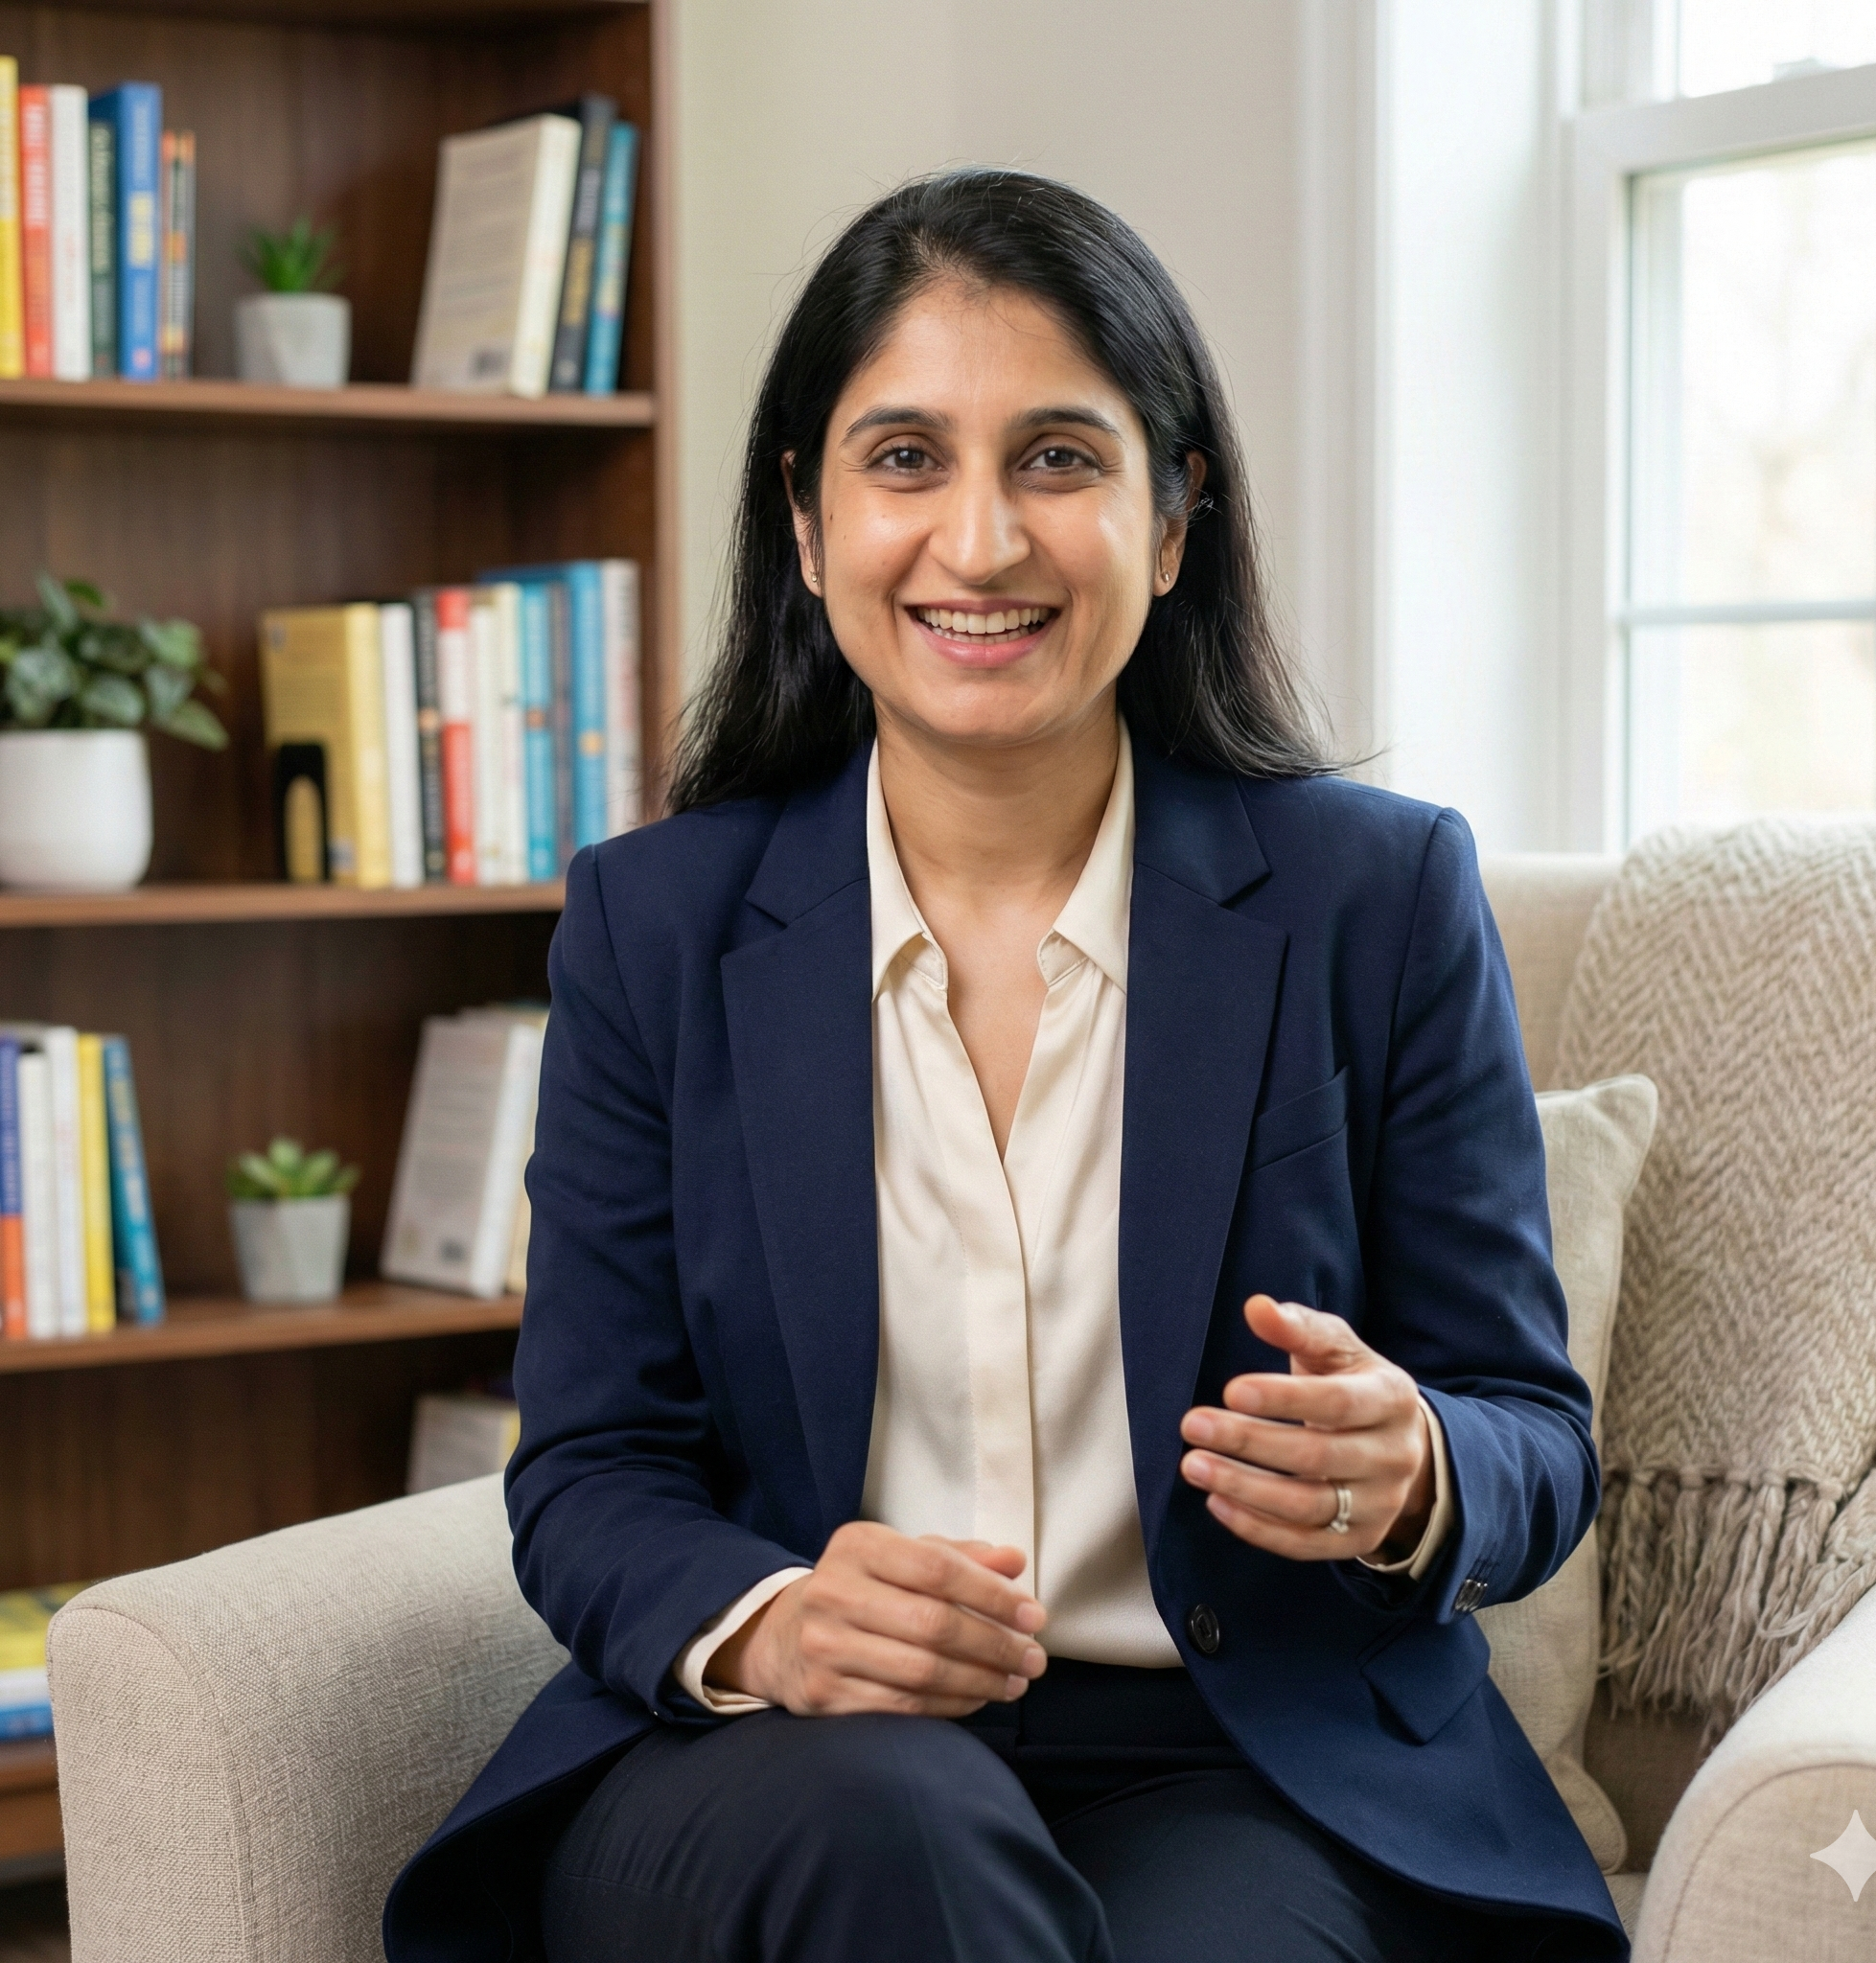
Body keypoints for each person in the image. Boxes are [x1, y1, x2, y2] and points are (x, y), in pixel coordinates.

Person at [384, 169, 1629, 1963]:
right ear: (806, 526)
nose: (980, 543)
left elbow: (1532, 1434)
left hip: (1238, 1763)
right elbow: (589, 1470)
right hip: (803, 1752)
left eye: (1058, 456)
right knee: (901, 1833)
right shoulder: (655, 931)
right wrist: (777, 1622)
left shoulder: (1379, 899)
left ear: (1174, 514)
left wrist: (1418, 1465)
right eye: (903, 459)